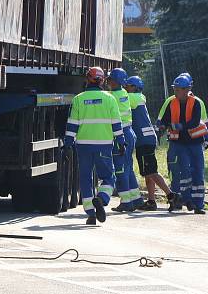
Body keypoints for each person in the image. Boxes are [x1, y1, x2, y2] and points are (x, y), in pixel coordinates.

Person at [63, 67, 124, 225]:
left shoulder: (78, 99)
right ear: (102, 80)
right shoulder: (110, 99)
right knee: (109, 177)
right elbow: (116, 124)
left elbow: (72, 125)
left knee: (85, 179)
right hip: (103, 145)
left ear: (87, 79)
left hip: (83, 146)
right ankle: (102, 199)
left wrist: (68, 144)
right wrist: (121, 141)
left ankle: (90, 214)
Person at [158, 73, 208, 214]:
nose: (176, 92)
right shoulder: (171, 102)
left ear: (188, 89)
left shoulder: (196, 103)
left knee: (197, 172)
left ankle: (198, 205)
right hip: (179, 143)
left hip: (194, 143)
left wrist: (179, 126)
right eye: (175, 89)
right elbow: (165, 119)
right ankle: (183, 200)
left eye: (179, 89)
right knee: (182, 172)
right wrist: (162, 126)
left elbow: (195, 121)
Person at [124, 76, 175, 211]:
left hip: (143, 140)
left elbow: (117, 98)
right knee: (148, 172)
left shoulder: (133, 98)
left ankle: (171, 196)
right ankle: (151, 201)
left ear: (134, 87)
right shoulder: (138, 97)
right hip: (147, 139)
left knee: (151, 171)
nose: (125, 88)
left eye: (127, 86)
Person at [107, 68, 144, 212]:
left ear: (114, 81)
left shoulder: (111, 96)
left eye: (109, 79)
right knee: (127, 168)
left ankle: (126, 202)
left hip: (119, 135)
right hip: (129, 133)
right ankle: (136, 199)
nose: (107, 81)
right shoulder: (124, 93)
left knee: (121, 169)